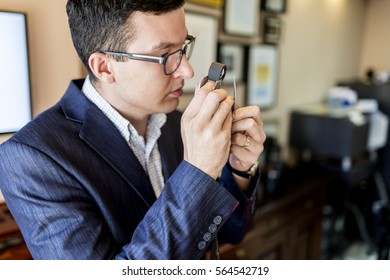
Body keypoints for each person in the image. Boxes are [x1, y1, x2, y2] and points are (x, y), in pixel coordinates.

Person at [0, 0, 266, 259]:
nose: (187, 70)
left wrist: (238, 169)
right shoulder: (31, 158)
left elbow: (229, 233)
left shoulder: (177, 123)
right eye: (165, 55)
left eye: (184, 47)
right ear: (104, 67)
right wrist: (197, 172)